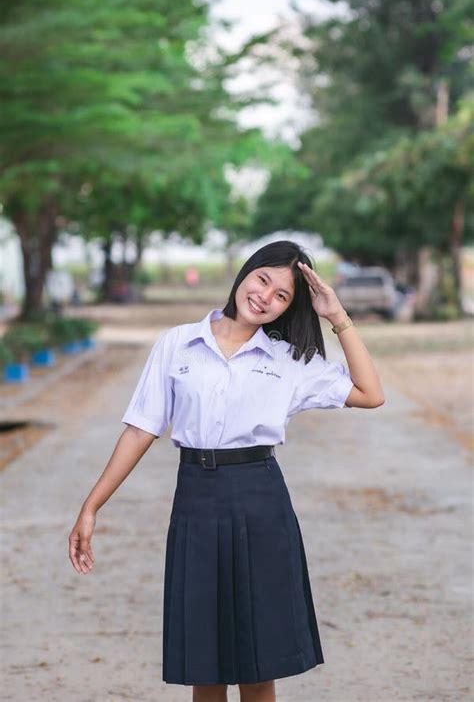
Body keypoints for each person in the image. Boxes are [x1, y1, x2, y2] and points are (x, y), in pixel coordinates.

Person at [68, 240, 384, 702]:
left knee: (259, 670)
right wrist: (91, 506)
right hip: (196, 500)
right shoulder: (177, 343)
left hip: (261, 504)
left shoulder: (289, 360)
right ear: (245, 273)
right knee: (206, 666)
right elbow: (140, 431)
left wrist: (337, 317)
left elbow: (371, 393)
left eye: (282, 296)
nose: (266, 297)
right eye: (263, 280)